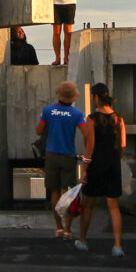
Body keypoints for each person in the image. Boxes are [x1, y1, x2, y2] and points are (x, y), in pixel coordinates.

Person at [75, 83, 126, 257]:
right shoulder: (119, 118)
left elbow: (90, 146)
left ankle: (82, 241)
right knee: (113, 207)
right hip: (113, 164)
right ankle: (117, 246)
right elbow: (123, 144)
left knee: (88, 205)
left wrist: (85, 169)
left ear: (96, 97)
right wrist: (115, 158)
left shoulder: (92, 119)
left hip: (96, 165)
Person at [36, 81, 90, 240]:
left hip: (52, 154)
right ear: (73, 97)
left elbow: (39, 130)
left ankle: (58, 227)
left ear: (59, 93)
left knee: (53, 191)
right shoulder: (77, 114)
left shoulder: (48, 110)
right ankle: (68, 229)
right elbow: (86, 133)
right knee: (67, 193)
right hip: (68, 156)